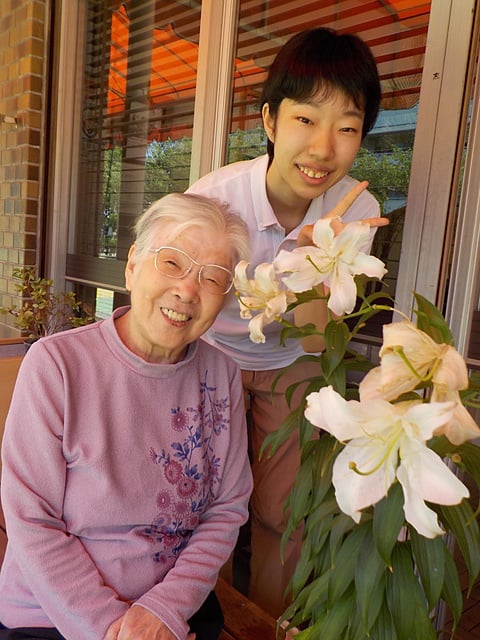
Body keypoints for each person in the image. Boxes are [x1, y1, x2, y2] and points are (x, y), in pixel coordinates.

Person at [187, 27, 389, 617]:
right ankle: (203, 619)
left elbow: (314, 329)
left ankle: (262, 624)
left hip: (291, 361)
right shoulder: (218, 200)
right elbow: (183, 298)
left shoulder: (359, 212)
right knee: (204, 503)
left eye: (347, 127)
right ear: (271, 121)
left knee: (284, 512)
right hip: (212, 355)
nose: (324, 149)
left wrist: (312, 262)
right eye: (306, 119)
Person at [0, 193, 253, 640]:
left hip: (173, 612)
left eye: (213, 277)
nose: (188, 290)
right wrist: (113, 629)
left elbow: (227, 509)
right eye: (172, 262)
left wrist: (163, 612)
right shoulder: (57, 365)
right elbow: (31, 518)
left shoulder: (222, 374)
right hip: (51, 613)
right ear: (133, 264)